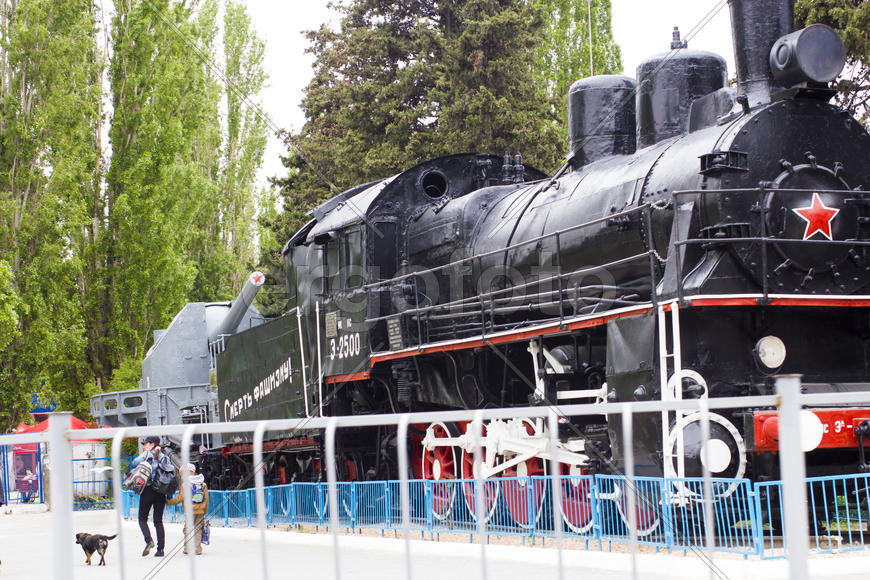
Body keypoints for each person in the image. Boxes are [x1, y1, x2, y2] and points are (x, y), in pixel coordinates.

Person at [131, 436, 174, 557]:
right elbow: (169, 475)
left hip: (148, 490)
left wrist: (147, 453)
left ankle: (149, 540)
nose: (144, 446)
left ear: (152, 444)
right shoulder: (165, 457)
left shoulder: (146, 455)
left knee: (142, 519)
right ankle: (160, 550)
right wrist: (169, 496)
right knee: (158, 521)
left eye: (146, 444)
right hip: (160, 491)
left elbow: (134, 463)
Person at [167, 463, 210, 555]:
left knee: (187, 529)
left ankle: (187, 548)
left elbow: (180, 498)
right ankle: (198, 549)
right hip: (200, 510)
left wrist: (168, 502)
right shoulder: (202, 484)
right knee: (198, 529)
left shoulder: (185, 485)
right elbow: (206, 499)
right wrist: (205, 510)